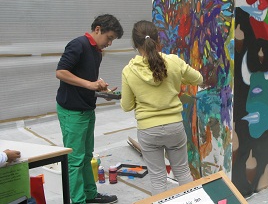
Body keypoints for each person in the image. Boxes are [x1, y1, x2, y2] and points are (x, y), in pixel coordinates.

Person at [120, 20, 203, 195]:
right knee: (183, 172)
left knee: (158, 178)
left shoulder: (129, 70)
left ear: (135, 44)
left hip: (148, 130)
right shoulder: (173, 61)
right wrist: (178, 80)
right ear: (158, 40)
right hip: (174, 126)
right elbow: (198, 79)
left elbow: (126, 106)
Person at [56, 14, 123, 204]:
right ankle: (78, 201)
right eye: (108, 38)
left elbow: (87, 80)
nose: (109, 43)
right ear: (97, 29)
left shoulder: (97, 51)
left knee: (86, 156)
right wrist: (88, 84)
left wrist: (101, 88)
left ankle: (90, 195)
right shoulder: (78, 45)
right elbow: (60, 72)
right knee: (75, 160)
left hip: (86, 109)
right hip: (72, 111)